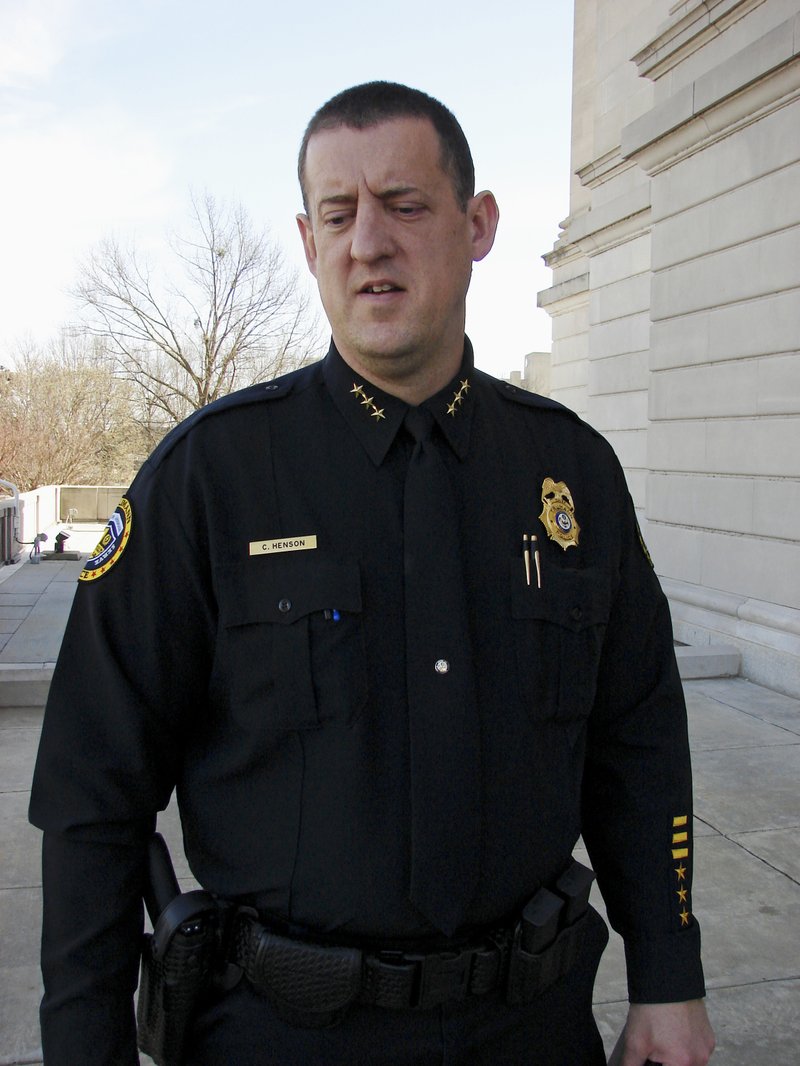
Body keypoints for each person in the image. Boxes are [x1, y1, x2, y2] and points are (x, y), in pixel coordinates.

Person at [29, 81, 715, 1065]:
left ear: (474, 225)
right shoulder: (207, 478)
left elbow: (636, 740)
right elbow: (94, 790)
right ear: (308, 243)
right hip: (275, 1035)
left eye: (403, 204)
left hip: (528, 1027)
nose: (368, 242)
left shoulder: (571, 473)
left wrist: (668, 971)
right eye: (339, 215)